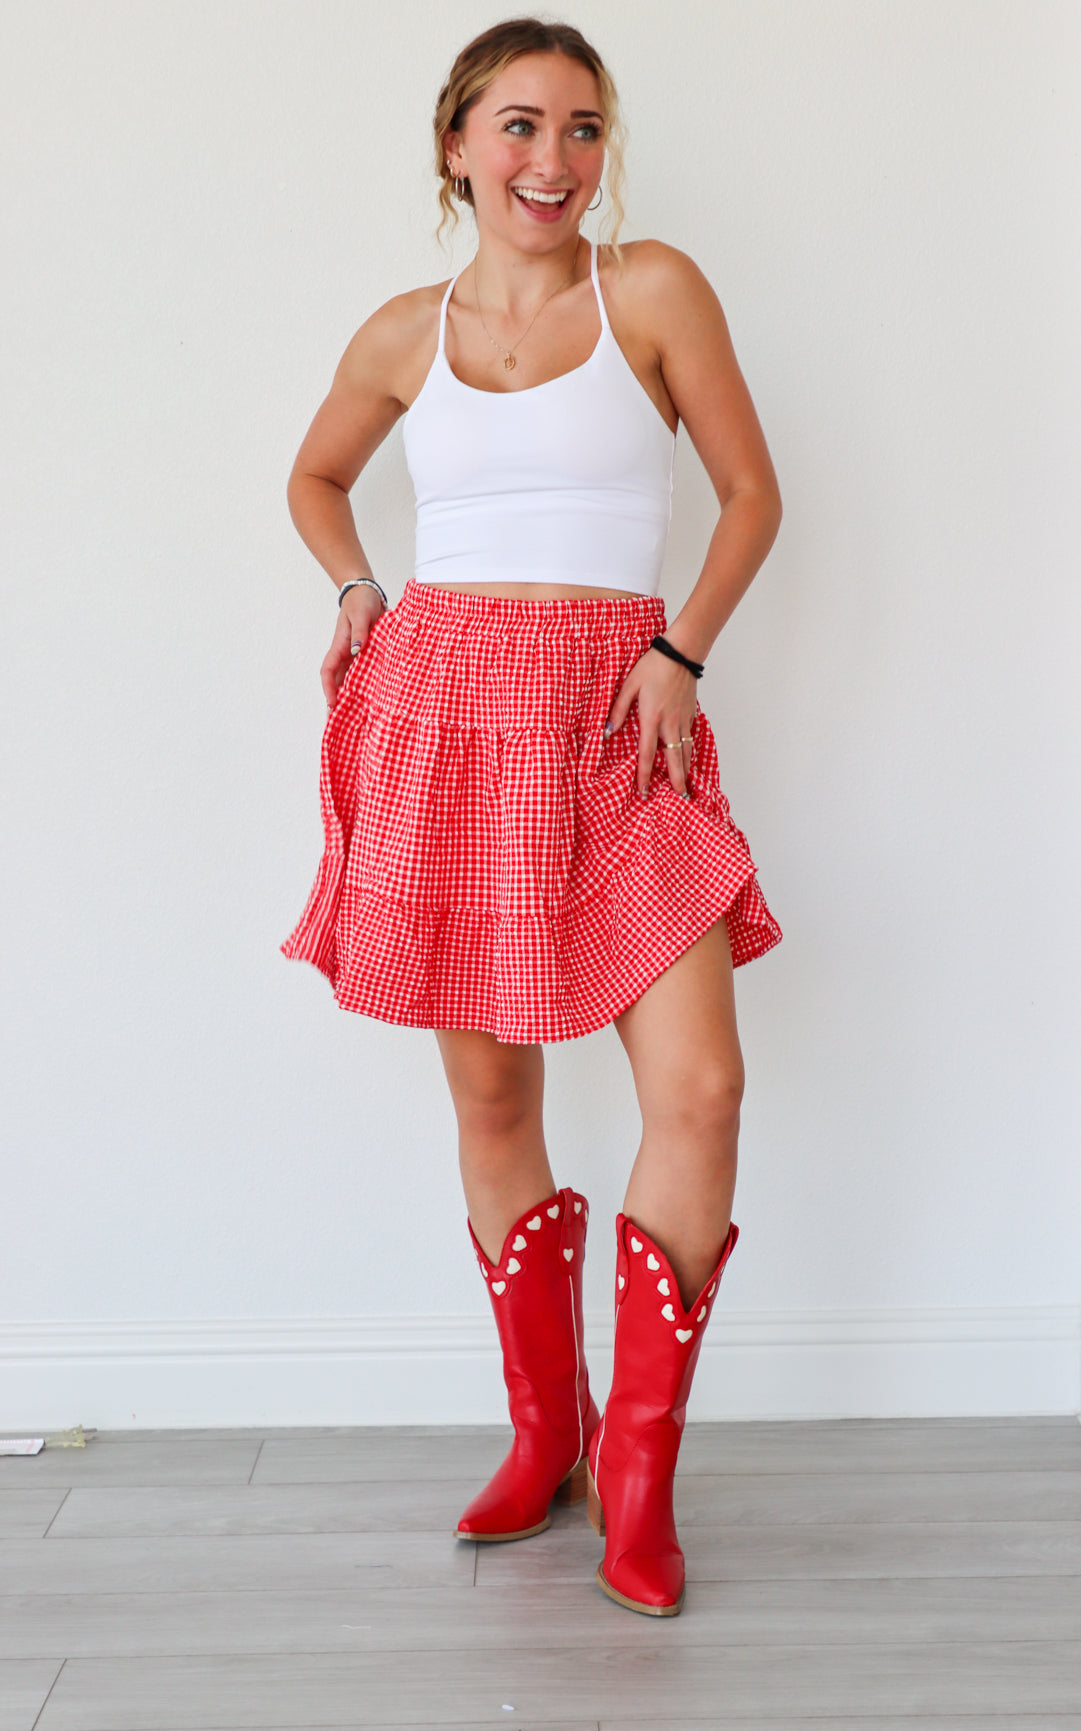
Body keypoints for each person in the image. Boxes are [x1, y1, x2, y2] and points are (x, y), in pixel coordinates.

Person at [280, 15, 783, 1617]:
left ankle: (639, 1487)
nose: (549, 159)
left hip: (618, 712)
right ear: (454, 146)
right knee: (496, 1108)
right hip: (444, 720)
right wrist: (361, 586)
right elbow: (314, 478)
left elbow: (752, 492)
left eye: (578, 128)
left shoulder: (650, 291)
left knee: (697, 1086)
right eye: (516, 126)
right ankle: (544, 1435)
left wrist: (678, 649)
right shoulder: (394, 333)